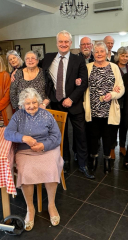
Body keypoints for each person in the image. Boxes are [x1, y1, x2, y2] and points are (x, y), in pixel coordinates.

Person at [4, 88, 62, 231]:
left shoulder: (47, 115)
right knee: (25, 171)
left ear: (39, 102)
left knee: (51, 167)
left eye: (34, 102)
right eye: (28, 103)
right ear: (22, 104)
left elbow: (57, 137)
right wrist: (23, 138)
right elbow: (8, 133)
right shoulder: (17, 116)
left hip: (47, 149)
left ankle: (51, 205)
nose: (31, 106)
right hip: (25, 151)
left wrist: (43, 145)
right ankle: (30, 209)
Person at [42, 30, 94, 179]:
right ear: (57, 43)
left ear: (70, 43)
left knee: (81, 135)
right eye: (61, 41)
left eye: (66, 42)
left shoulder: (78, 60)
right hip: (56, 103)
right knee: (60, 136)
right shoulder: (48, 58)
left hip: (74, 104)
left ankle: (83, 164)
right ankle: (64, 162)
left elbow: (84, 82)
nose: (63, 44)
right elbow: (34, 68)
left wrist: (71, 98)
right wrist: (16, 72)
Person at [84, 42, 125, 173]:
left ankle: (107, 159)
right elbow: (82, 86)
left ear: (106, 53)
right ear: (93, 53)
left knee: (108, 137)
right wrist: (78, 81)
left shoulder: (114, 67)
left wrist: (113, 94)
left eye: (102, 51)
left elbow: (121, 88)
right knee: (93, 136)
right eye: (97, 52)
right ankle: (94, 158)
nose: (99, 54)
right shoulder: (87, 67)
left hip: (109, 109)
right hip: (93, 109)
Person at [110, 47, 128, 159]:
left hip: (127, 102)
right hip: (115, 101)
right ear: (118, 56)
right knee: (114, 126)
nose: (124, 58)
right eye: (122, 55)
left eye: (126, 56)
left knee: (124, 126)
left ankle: (123, 146)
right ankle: (112, 148)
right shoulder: (112, 67)